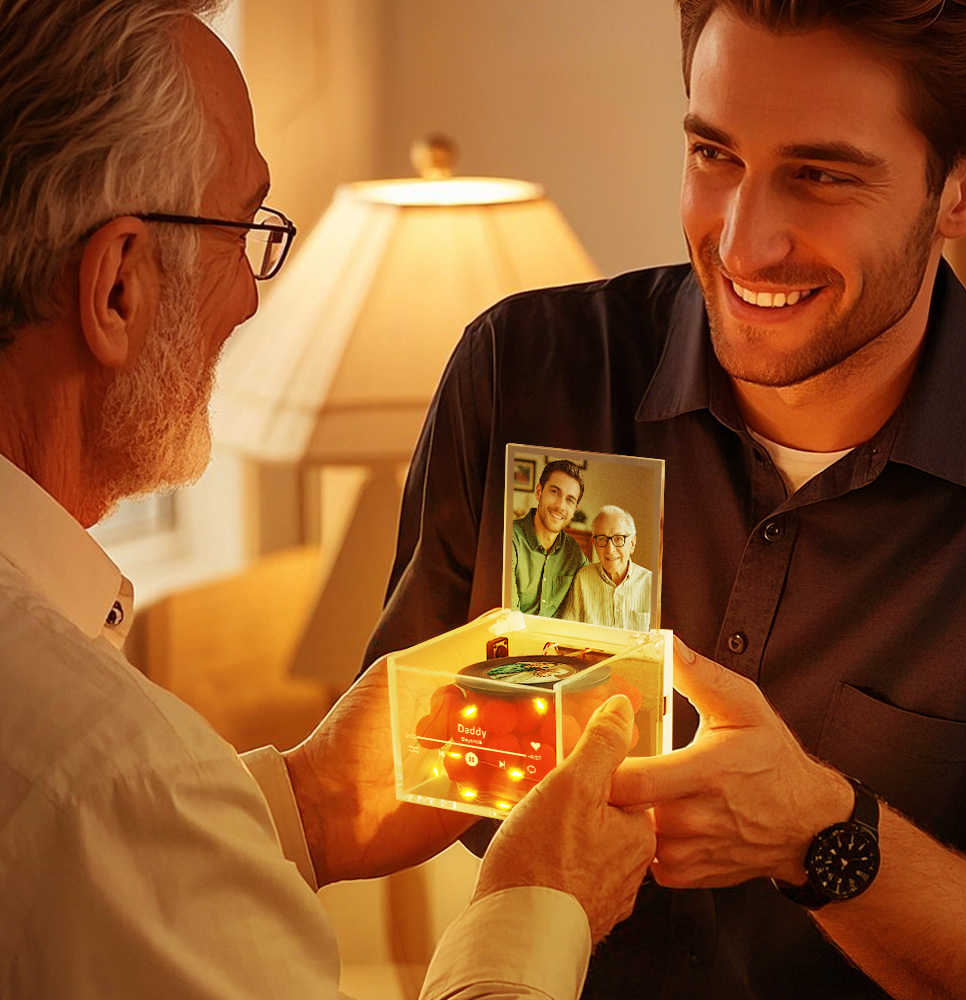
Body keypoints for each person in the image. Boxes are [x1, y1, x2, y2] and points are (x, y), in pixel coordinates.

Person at [0, 2, 657, 998]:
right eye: (241, 228)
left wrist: (303, 799)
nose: (253, 294)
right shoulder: (104, 770)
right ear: (118, 287)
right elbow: (96, 808)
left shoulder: (102, 773)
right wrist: (537, 903)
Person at [363, 1, 966, 997]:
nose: (742, 243)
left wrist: (821, 834)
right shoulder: (520, 370)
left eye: (819, 174)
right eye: (714, 155)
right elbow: (391, 771)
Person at [511, 459, 588, 616]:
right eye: (555, 492)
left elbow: (597, 582)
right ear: (539, 491)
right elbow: (509, 616)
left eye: (570, 500)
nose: (560, 506)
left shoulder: (573, 551)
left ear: (574, 509)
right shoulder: (509, 538)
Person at [560, 505, 652, 630]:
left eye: (619, 539)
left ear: (632, 544)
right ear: (594, 543)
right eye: (602, 539)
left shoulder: (651, 584)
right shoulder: (583, 578)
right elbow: (568, 631)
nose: (610, 549)